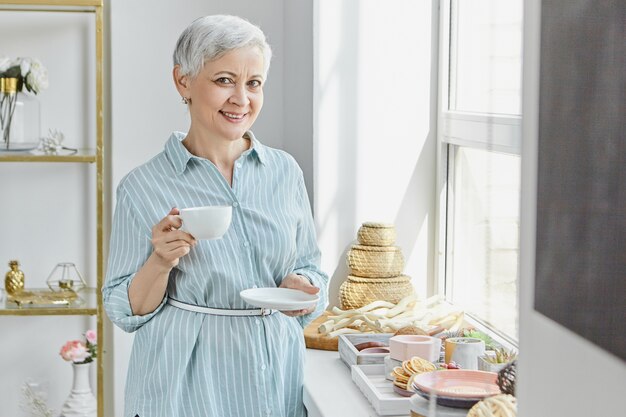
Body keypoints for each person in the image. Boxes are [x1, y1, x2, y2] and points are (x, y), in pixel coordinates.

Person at [103, 15, 328, 417]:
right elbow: (124, 310)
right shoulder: (142, 186)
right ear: (183, 81)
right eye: (225, 80)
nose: (242, 99)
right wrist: (160, 260)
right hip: (184, 387)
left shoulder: (284, 172)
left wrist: (303, 284)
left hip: (273, 379)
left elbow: (313, 270)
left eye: (253, 83)